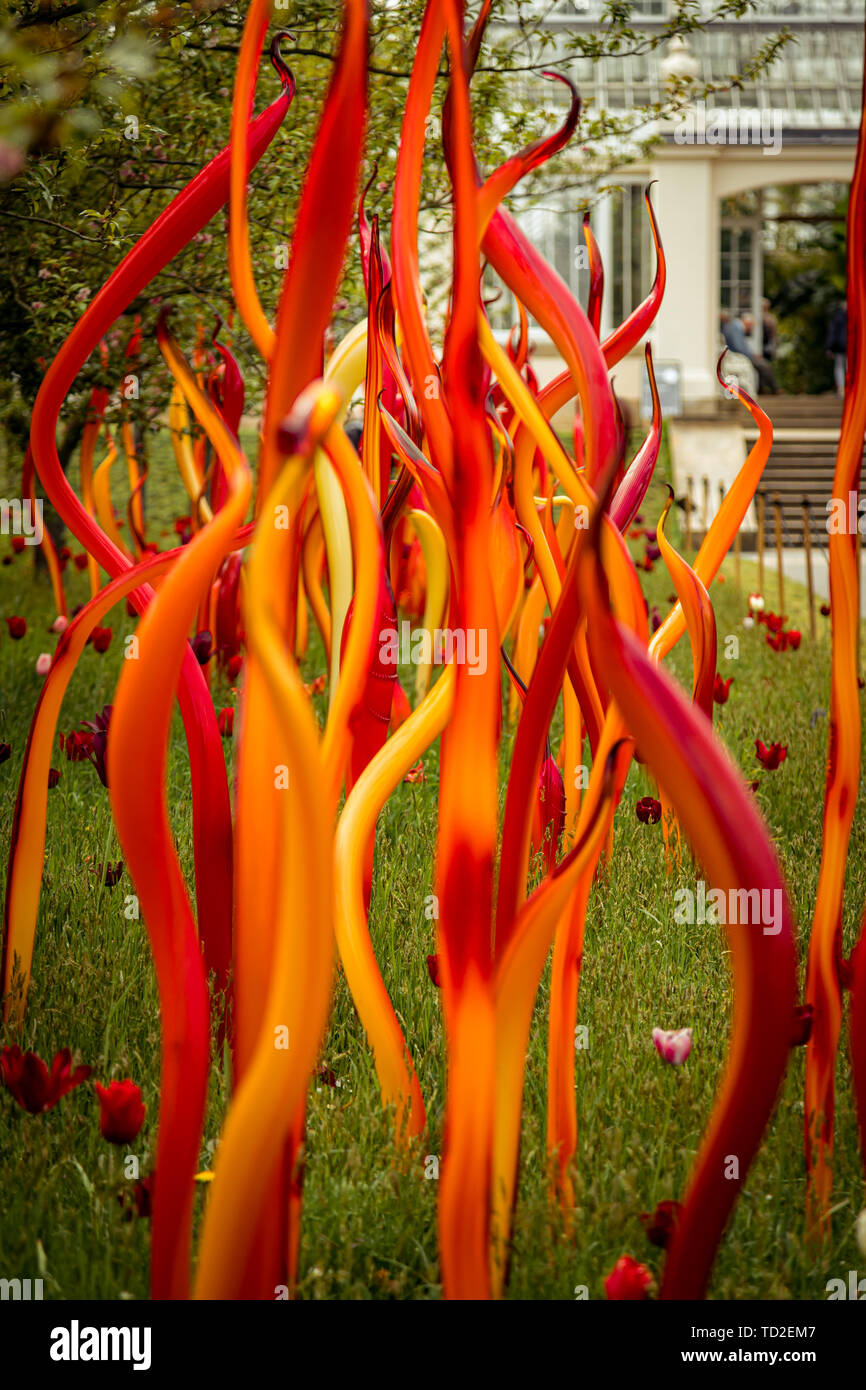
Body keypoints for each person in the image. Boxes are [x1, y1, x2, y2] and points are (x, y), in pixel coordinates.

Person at [721, 312, 780, 394]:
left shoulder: (735, 327)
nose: (751, 329)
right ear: (747, 322)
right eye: (751, 326)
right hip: (737, 358)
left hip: (739, 356)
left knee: (762, 364)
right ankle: (775, 389)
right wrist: (752, 356)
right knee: (764, 365)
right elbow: (738, 347)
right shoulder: (734, 328)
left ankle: (763, 389)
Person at [826, 303, 847, 399]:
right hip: (850, 347)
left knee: (839, 367)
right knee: (847, 367)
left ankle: (841, 388)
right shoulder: (856, 316)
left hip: (839, 347)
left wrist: (829, 348)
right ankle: (847, 388)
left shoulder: (837, 317)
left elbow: (832, 333)